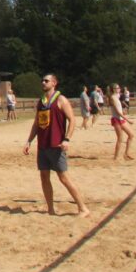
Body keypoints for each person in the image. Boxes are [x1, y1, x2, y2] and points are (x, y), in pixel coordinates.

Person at [23, 73, 90, 217]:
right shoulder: (41, 102)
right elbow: (36, 124)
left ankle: (83, 208)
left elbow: (72, 120)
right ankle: (51, 209)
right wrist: (29, 141)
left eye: (46, 81)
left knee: (63, 177)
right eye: (42, 80)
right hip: (43, 146)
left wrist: (67, 139)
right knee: (44, 176)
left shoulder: (61, 100)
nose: (43, 82)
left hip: (56, 145)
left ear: (54, 83)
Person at [108, 84, 134, 161]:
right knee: (120, 138)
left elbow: (120, 109)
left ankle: (126, 154)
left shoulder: (117, 96)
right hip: (116, 119)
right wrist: (128, 120)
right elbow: (117, 112)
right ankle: (115, 157)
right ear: (113, 89)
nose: (119, 89)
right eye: (117, 88)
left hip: (121, 119)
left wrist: (124, 111)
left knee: (131, 135)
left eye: (119, 87)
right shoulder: (112, 97)